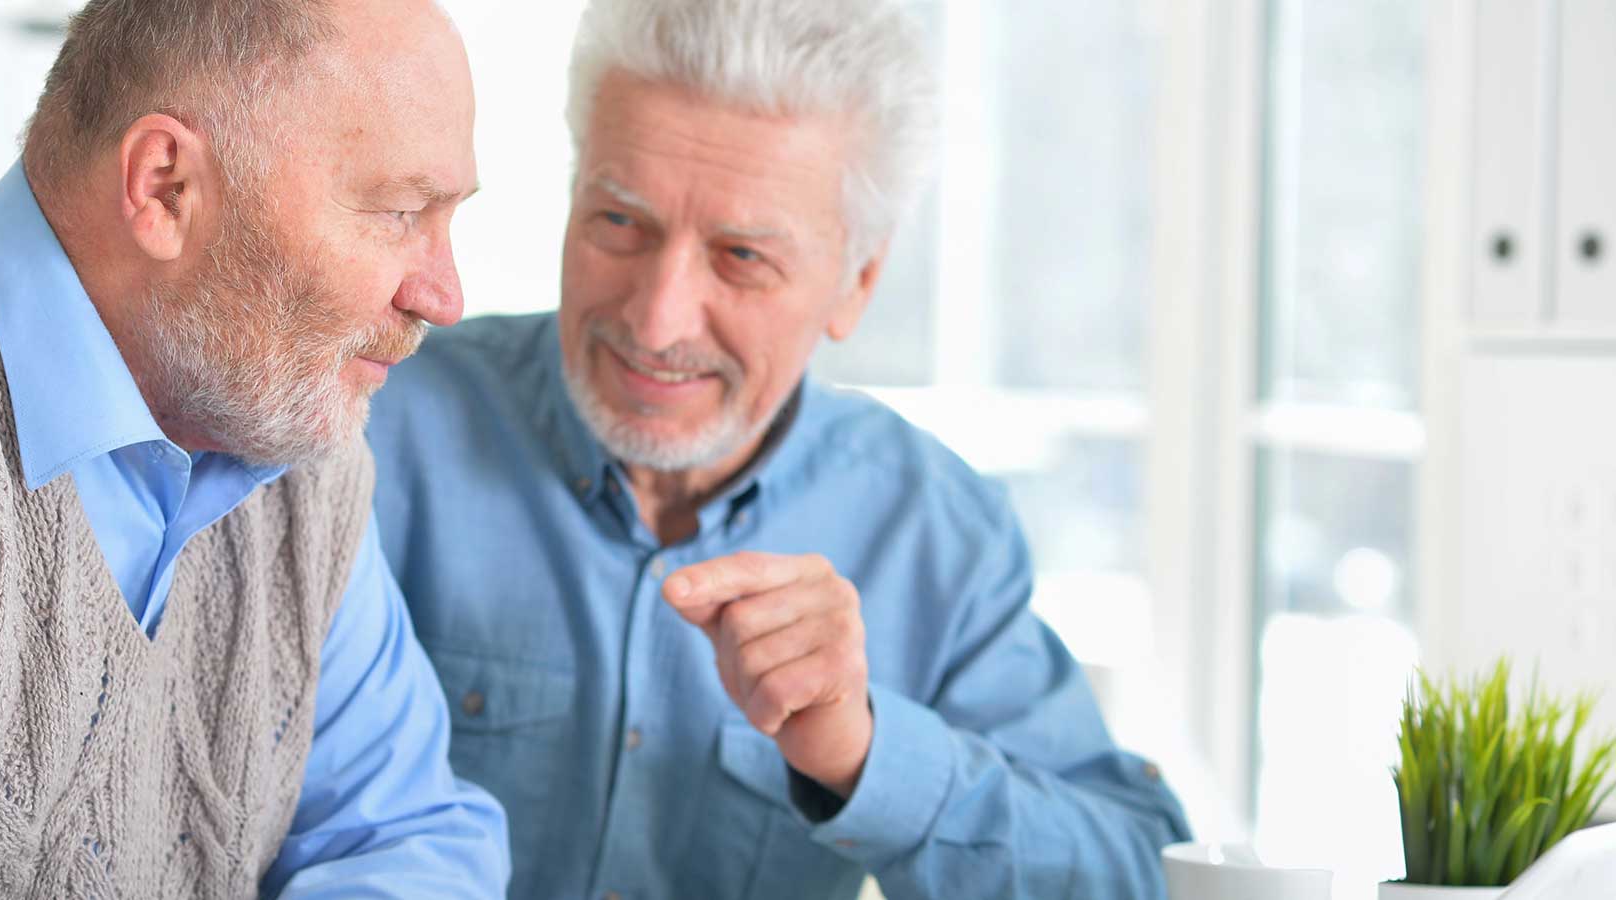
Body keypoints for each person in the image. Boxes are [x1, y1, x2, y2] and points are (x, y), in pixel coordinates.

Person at [365, 0, 1192, 897]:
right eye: (619, 223)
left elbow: (1142, 871)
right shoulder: (374, 426)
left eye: (742, 256)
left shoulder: (933, 531)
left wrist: (864, 750)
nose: (656, 318)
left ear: (855, 285)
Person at [0, 1, 507, 897]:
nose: (443, 296)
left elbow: (412, 836)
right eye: (399, 212)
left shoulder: (292, 429)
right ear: (166, 186)